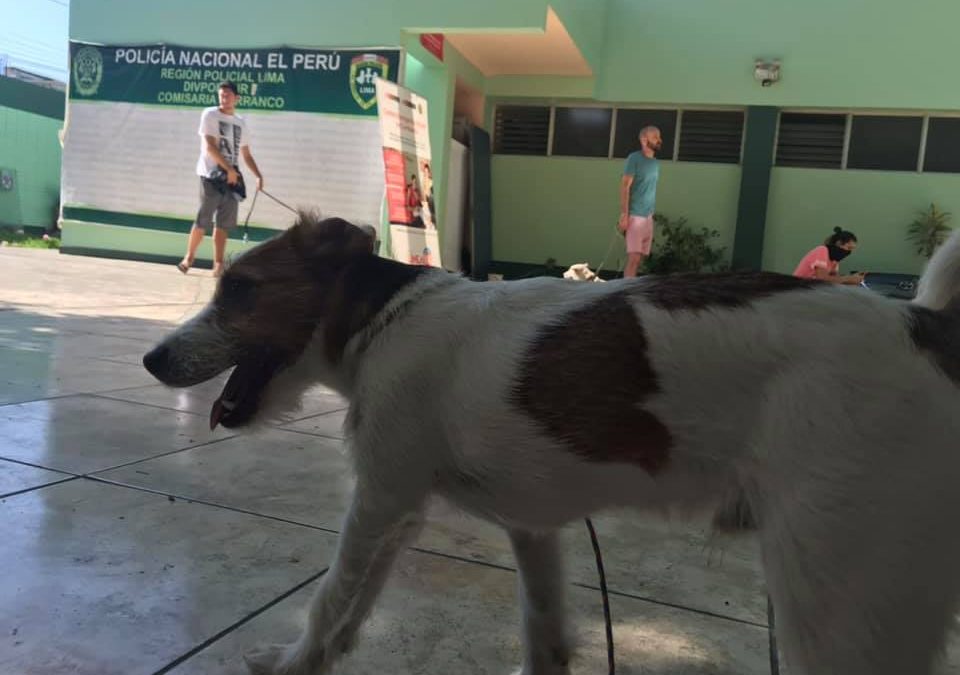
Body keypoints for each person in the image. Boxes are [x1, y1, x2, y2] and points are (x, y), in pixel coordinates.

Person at [177, 81, 264, 277]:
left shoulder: (241, 123)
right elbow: (209, 146)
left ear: (237, 98)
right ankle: (188, 258)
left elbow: (246, 155)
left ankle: (217, 265)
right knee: (203, 219)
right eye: (221, 95)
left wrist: (258, 175)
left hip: (232, 181)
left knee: (224, 224)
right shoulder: (210, 115)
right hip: (211, 176)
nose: (223, 98)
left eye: (228, 95)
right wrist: (228, 169)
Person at [618, 126, 663, 278]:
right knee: (634, 258)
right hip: (635, 215)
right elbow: (625, 186)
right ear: (644, 140)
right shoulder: (634, 158)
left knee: (640, 258)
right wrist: (624, 215)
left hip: (648, 216)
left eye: (659, 136)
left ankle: (630, 288)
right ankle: (625, 292)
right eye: (655, 136)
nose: (659, 140)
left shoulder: (655, 163)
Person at [793, 227, 866, 285]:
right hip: (798, 289)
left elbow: (835, 280)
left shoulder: (835, 260)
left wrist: (854, 279)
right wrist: (848, 278)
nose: (850, 252)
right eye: (849, 248)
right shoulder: (822, 250)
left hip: (811, 290)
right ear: (839, 243)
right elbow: (822, 279)